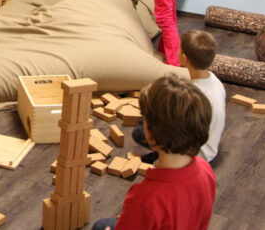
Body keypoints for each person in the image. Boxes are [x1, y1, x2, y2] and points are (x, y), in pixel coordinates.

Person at [92, 74, 216, 230]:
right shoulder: (206, 170)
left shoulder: (145, 199)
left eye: (144, 118)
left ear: (150, 133)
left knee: (100, 226)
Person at [132, 30, 226, 163]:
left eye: (178, 48)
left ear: (184, 58)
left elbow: (178, 129)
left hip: (195, 154)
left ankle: (166, 157)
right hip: (210, 147)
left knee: (139, 132)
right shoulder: (216, 81)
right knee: (145, 120)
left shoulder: (192, 95)